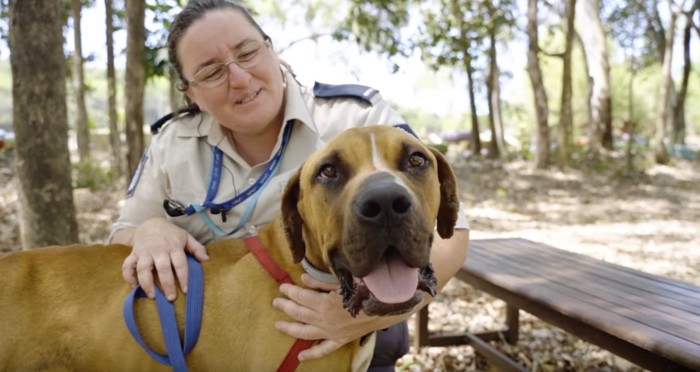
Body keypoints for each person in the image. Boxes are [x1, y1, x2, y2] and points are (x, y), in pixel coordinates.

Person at [110, 0, 470, 370]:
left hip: (351, 319)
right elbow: (121, 237)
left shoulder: (357, 115)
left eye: (247, 53)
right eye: (212, 72)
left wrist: (361, 319)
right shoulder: (173, 146)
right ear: (190, 92)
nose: (240, 78)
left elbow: (452, 230)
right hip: (213, 345)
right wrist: (150, 231)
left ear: (271, 49)